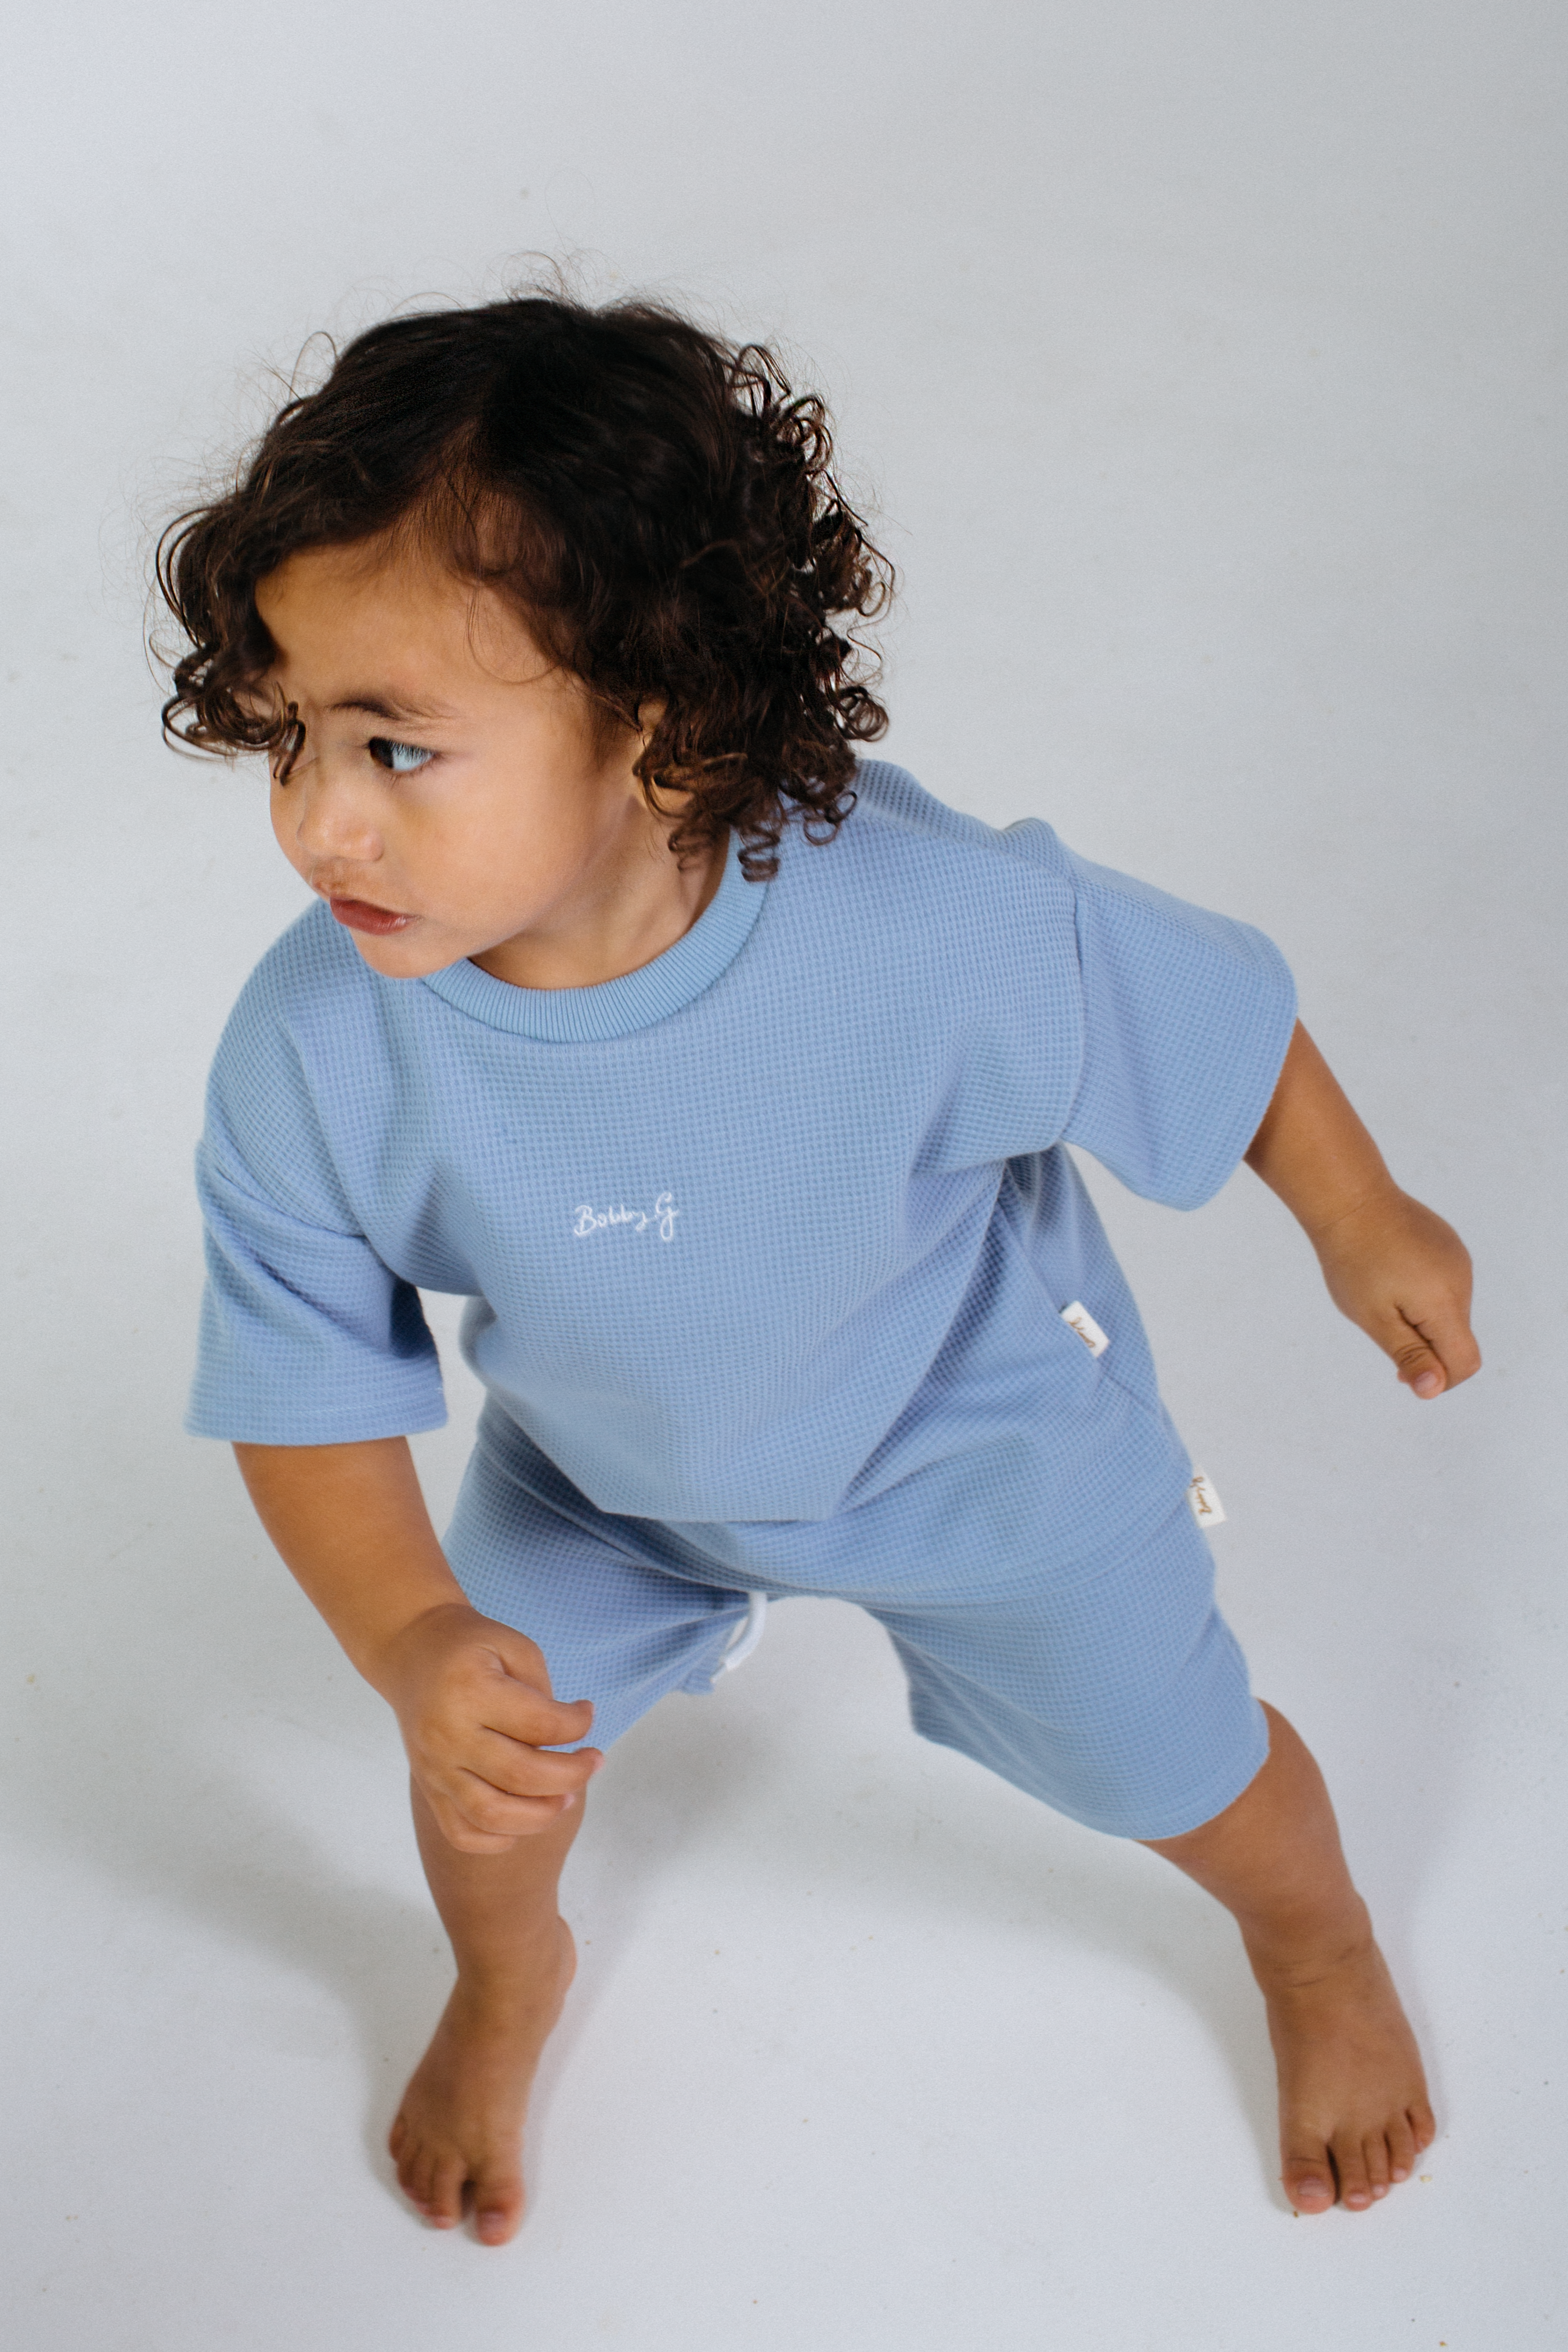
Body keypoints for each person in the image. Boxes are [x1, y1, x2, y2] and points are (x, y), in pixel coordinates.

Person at [158, 292, 1477, 2246]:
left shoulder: (916, 923)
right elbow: (306, 1394)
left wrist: (1357, 1214)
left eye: (396, 744)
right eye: (289, 735)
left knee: (1177, 1753)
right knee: (479, 1784)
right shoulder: (317, 1043)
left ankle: (1316, 1935)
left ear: (659, 725)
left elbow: (1201, 1015)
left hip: (971, 1438)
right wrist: (415, 1639)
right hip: (605, 1486)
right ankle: (511, 1972)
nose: (318, 819)